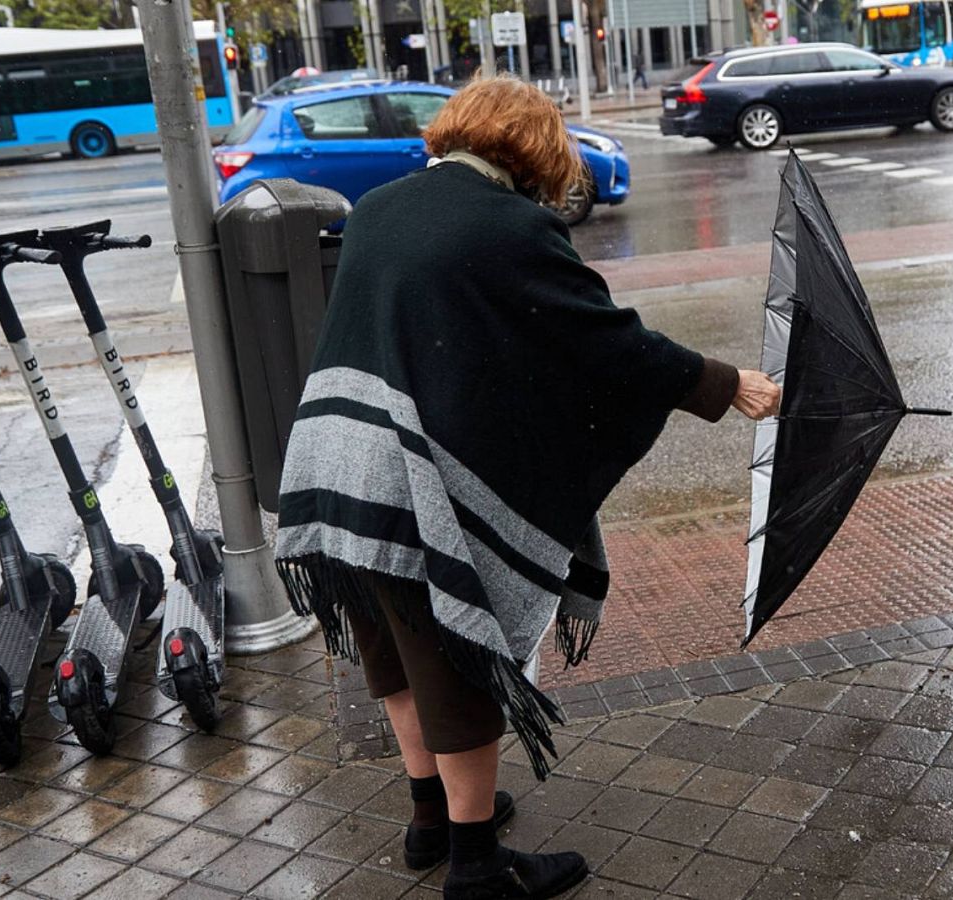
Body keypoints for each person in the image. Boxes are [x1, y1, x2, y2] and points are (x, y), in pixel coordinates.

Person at [273, 76, 781, 899]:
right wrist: (730, 387)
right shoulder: (511, 227)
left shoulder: (379, 206)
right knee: (460, 664)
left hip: (330, 462)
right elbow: (608, 346)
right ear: (535, 149)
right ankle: (474, 868)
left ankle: (429, 819)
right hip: (406, 484)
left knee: (393, 658)